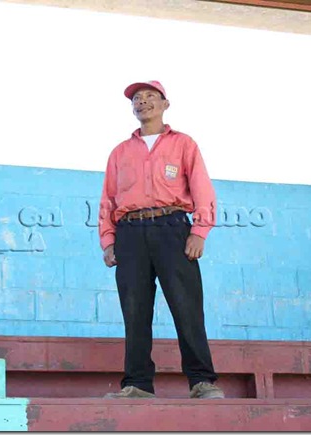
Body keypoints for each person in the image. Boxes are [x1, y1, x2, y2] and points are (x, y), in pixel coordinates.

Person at [99, 80, 224, 399]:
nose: (142, 102)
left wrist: (199, 231)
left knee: (187, 307)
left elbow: (202, 189)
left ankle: (201, 380)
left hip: (173, 228)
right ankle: (138, 383)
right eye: (137, 99)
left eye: (150, 97)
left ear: (165, 103)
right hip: (130, 233)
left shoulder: (183, 144)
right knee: (134, 309)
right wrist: (108, 239)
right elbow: (108, 200)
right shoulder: (120, 152)